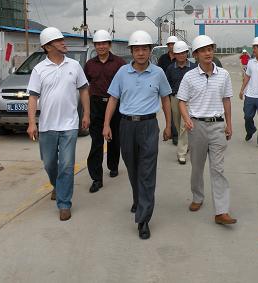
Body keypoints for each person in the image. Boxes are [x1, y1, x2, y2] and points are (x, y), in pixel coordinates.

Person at [103, 30, 172, 240]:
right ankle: (138, 199)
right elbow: (113, 99)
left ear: (150, 51)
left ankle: (143, 219)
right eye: (136, 49)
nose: (140, 53)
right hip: (126, 126)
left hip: (149, 126)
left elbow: (166, 99)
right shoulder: (122, 73)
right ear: (131, 51)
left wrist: (169, 125)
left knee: (147, 172)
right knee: (132, 168)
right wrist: (106, 124)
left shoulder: (158, 73)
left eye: (144, 49)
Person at [27, 27, 90, 221]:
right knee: (49, 164)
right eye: (59, 40)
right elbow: (33, 97)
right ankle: (57, 185)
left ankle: (64, 203)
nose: (64, 43)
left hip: (70, 124)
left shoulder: (74, 66)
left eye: (63, 39)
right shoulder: (39, 70)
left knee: (67, 165)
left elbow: (84, 90)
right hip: (47, 125)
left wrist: (86, 114)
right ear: (48, 47)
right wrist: (32, 123)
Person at [178, 35, 236, 225]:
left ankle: (221, 211)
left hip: (217, 126)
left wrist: (229, 123)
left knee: (218, 169)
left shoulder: (224, 75)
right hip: (197, 126)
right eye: (203, 50)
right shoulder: (189, 77)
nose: (207, 53)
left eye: (210, 49)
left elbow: (227, 100)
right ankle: (197, 197)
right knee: (197, 167)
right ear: (196, 54)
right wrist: (187, 119)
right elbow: (181, 101)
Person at [84, 30, 126, 193]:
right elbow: (85, 86)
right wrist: (86, 112)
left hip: (114, 104)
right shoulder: (89, 65)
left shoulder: (119, 63)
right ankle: (96, 178)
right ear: (94, 46)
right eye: (98, 44)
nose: (101, 46)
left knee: (114, 138)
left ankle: (113, 165)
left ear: (109, 45)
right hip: (96, 105)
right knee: (96, 142)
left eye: (104, 43)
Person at [165, 41, 196, 164]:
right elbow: (167, 84)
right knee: (178, 125)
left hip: (189, 100)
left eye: (184, 53)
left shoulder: (194, 67)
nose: (181, 55)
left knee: (184, 125)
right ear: (175, 54)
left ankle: (181, 153)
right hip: (175, 98)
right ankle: (185, 144)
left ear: (187, 53)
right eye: (178, 53)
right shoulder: (170, 68)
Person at [158, 35, 179, 144]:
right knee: (168, 112)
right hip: (165, 90)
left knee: (176, 113)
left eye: (173, 44)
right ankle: (170, 130)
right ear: (167, 46)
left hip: (176, 89)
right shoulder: (163, 58)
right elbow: (158, 72)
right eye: (170, 44)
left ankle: (176, 135)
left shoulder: (180, 57)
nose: (172, 46)